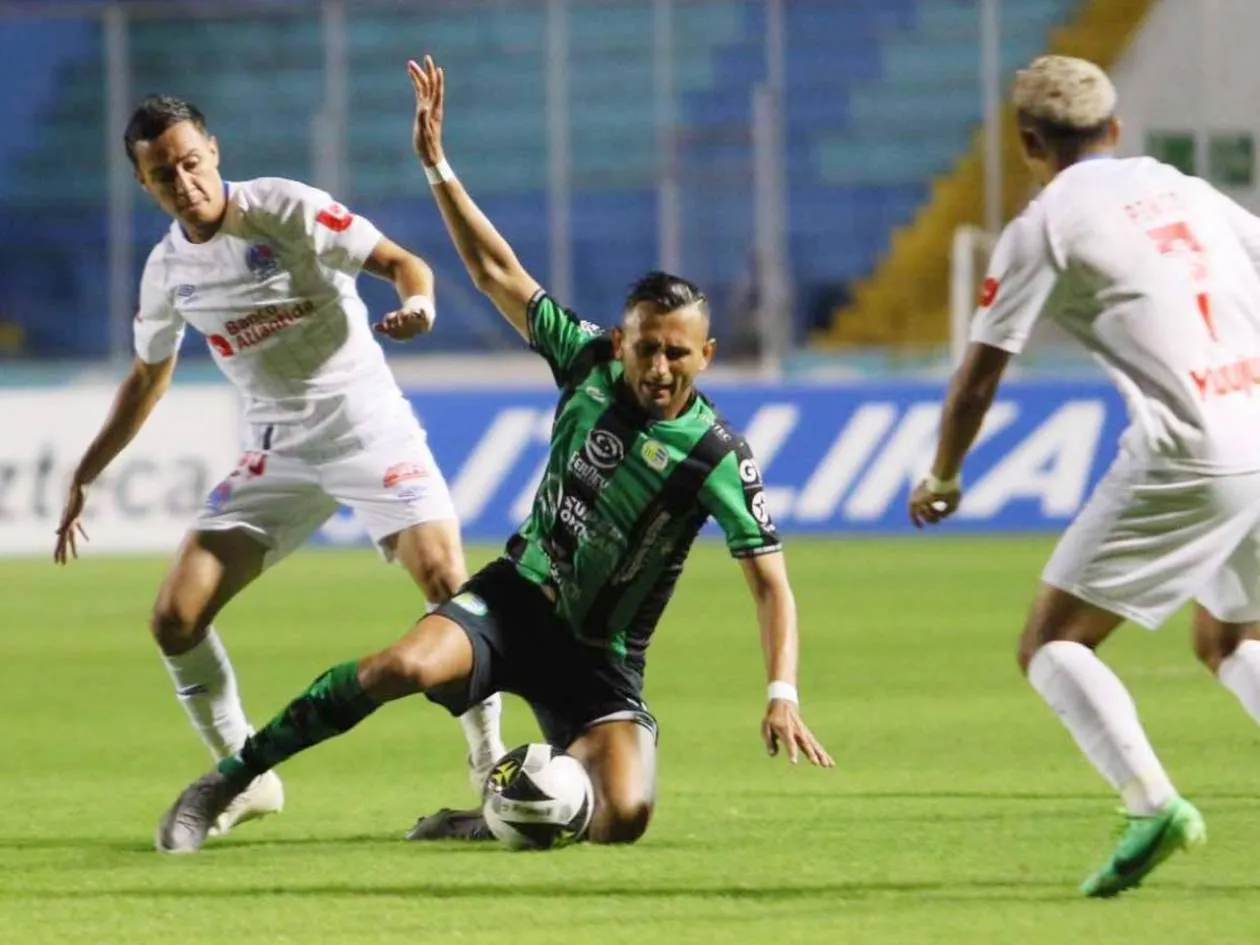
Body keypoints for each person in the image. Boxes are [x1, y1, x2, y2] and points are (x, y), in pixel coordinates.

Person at [153, 55, 833, 854]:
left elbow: (770, 582)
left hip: (602, 660)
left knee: (626, 816)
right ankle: (227, 778)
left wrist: (781, 691)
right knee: (397, 666)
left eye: (677, 355)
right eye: (647, 348)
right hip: (514, 603)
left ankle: (495, 812)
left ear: (707, 355)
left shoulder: (715, 453)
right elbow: (493, 271)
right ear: (622, 340)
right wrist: (438, 165)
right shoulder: (585, 360)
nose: (658, 368)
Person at [54, 94, 505, 839]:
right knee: (175, 616)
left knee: (450, 591)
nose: (184, 180)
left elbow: (401, 261)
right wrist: (86, 471)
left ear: (215, 151)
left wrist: (419, 305)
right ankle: (244, 773)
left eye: (192, 162)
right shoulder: (166, 271)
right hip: (277, 452)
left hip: (370, 428)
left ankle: (491, 769)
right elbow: (147, 377)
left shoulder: (285, 208)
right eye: (164, 174)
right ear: (145, 184)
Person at [909, 55, 1260, 898]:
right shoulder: (1183, 188)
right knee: (1231, 637)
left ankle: (1152, 803)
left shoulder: (1045, 225)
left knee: (1052, 642)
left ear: (1028, 141)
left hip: (1192, 448)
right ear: (1116, 128)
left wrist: (944, 475)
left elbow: (980, 374)